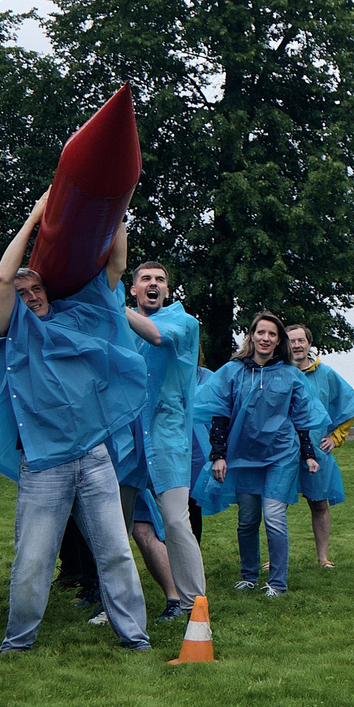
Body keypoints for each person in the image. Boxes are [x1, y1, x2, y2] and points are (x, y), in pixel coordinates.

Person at [0, 195, 157, 653]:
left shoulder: (77, 319)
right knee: (33, 558)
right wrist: (33, 218)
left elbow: (115, 268)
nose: (31, 297)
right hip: (44, 464)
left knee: (116, 552)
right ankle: (18, 641)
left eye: (37, 289)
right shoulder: (11, 335)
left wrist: (116, 204)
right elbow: (5, 278)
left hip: (94, 456)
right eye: (23, 296)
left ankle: (135, 637)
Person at [200, 312, 320, 596]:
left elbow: (301, 416)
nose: (266, 338)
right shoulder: (232, 371)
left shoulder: (291, 375)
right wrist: (218, 454)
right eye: (260, 332)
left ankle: (277, 582)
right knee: (248, 518)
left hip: (281, 454)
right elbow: (220, 413)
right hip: (243, 455)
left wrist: (308, 453)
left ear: (279, 341)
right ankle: (249, 575)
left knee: (275, 517)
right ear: (251, 335)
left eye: (272, 334)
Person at [126, 260, 206, 620]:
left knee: (175, 521)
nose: (153, 284)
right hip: (125, 440)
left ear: (168, 290)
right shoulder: (119, 324)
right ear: (134, 288)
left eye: (159, 280)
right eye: (145, 279)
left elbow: (157, 337)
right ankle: (116, 603)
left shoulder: (184, 323)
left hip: (166, 437)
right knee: (114, 526)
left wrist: (117, 309)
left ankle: (195, 608)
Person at [288, 321, 354, 570]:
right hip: (282, 449)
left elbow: (350, 403)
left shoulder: (325, 374)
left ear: (309, 344)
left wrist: (336, 437)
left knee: (319, 503)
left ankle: (323, 557)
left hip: (317, 450)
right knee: (275, 505)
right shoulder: (278, 371)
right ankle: (276, 556)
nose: (296, 345)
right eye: (291, 341)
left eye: (301, 340)